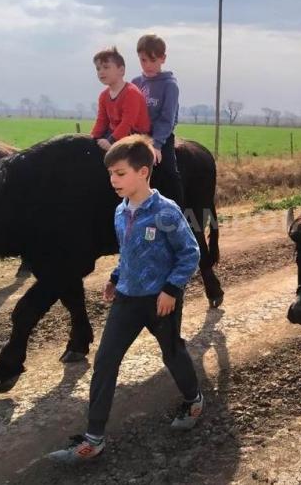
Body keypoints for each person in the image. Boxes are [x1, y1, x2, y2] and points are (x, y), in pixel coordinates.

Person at [48, 135, 203, 463]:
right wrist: (116, 278)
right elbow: (128, 253)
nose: (113, 180)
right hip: (128, 300)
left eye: (120, 173)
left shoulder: (166, 211)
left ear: (143, 172)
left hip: (161, 301)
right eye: (110, 174)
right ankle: (94, 438)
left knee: (172, 352)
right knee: (105, 362)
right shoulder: (120, 212)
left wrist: (172, 290)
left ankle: (194, 399)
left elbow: (190, 253)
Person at [131, 34, 184, 206]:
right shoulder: (135, 83)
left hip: (161, 136)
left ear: (163, 58)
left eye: (152, 61)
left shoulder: (170, 85)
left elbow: (167, 118)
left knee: (168, 171)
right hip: (137, 135)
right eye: (143, 60)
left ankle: (177, 210)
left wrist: (157, 145)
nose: (148, 66)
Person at [90, 47, 151, 151]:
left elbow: (128, 122)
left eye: (106, 67)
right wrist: (91, 138)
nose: (101, 72)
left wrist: (111, 141)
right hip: (115, 132)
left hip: (135, 135)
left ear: (121, 70)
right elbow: (102, 121)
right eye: (98, 68)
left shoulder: (131, 93)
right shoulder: (104, 96)